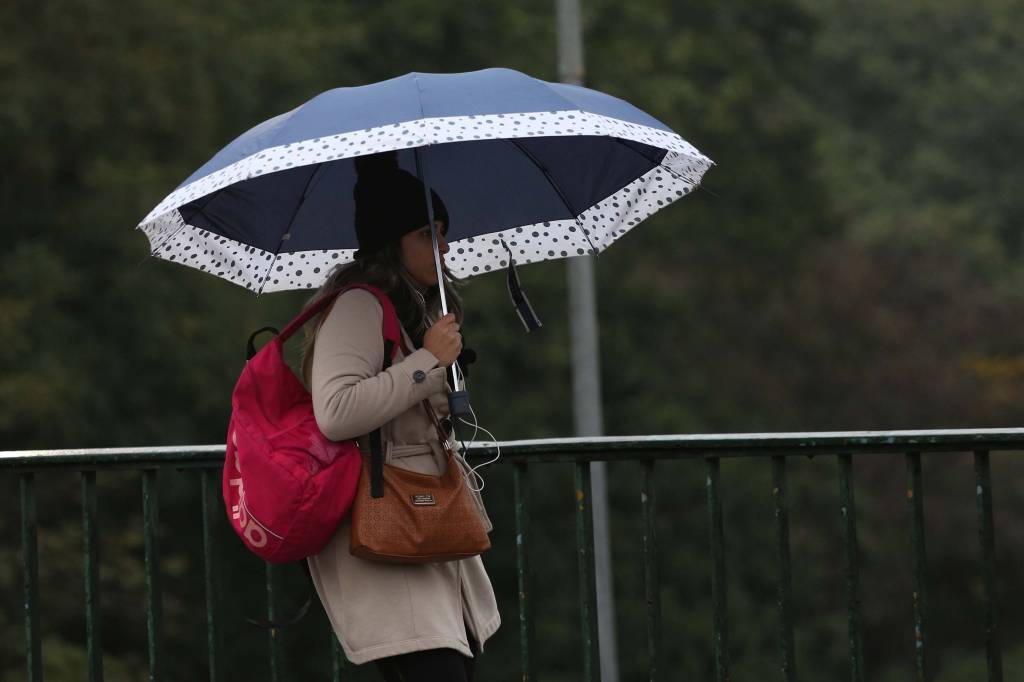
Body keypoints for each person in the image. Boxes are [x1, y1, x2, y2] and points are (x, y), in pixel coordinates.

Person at [300, 151, 500, 682]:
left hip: (423, 521)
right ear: (391, 241)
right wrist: (427, 361)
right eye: (427, 234)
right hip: (389, 523)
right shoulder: (358, 305)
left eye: (443, 233)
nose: (444, 247)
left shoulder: (413, 306)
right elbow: (336, 412)